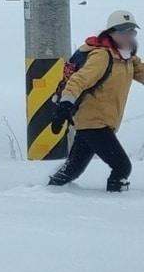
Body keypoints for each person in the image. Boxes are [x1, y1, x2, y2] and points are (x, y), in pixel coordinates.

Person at [47, 10, 144, 192]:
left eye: (132, 31)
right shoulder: (101, 56)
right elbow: (79, 80)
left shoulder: (128, 58)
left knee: (72, 170)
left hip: (101, 123)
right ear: (111, 33)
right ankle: (115, 202)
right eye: (123, 31)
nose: (128, 36)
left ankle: (46, 193)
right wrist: (66, 103)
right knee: (122, 167)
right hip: (93, 122)